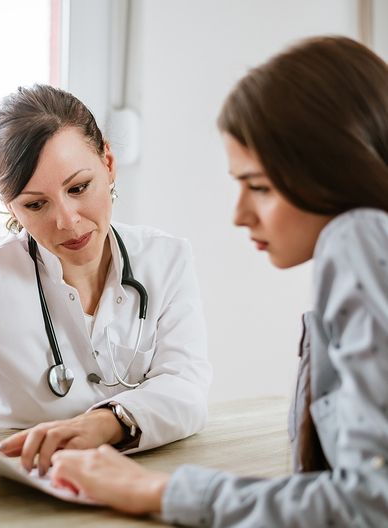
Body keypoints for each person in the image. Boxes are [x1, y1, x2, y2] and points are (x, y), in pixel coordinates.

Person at [45, 36, 388, 526]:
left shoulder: (358, 236)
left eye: (259, 187)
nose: (239, 215)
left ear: (341, 169)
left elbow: (368, 503)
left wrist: (157, 490)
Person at [0, 85, 211, 476]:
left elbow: (187, 387)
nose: (67, 221)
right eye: (35, 204)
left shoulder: (166, 258)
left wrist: (106, 422)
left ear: (108, 162)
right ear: (11, 205)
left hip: (116, 483)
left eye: (78, 188)